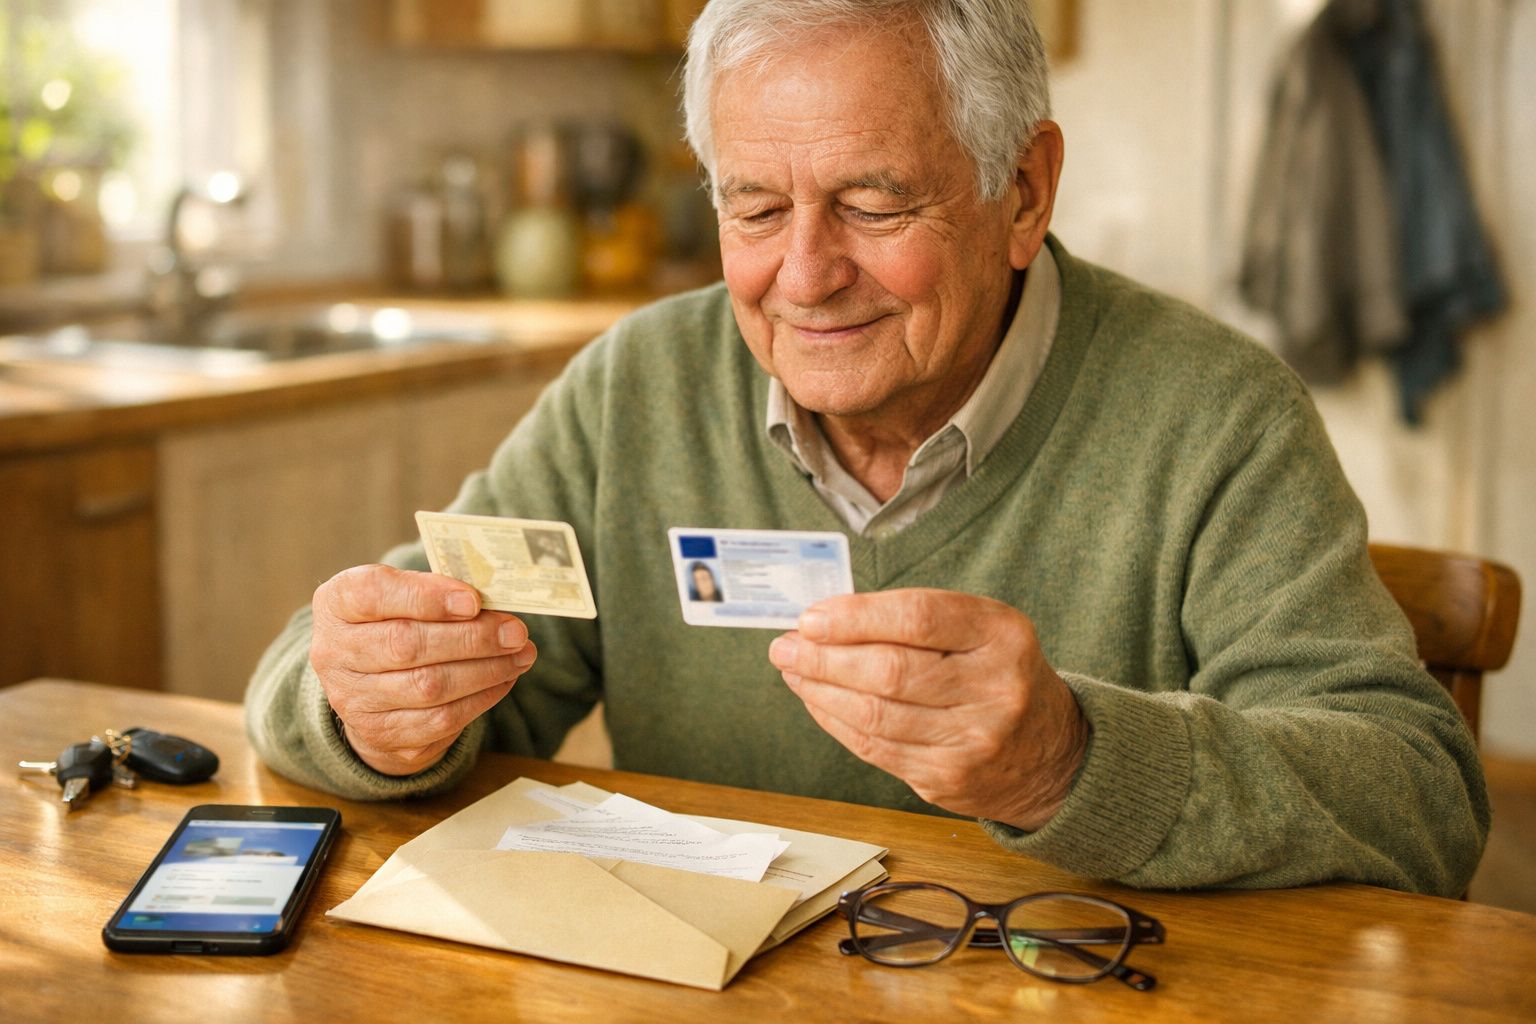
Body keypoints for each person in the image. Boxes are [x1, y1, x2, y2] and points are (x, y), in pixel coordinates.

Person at [246, 0, 1487, 897]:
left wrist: (1071, 759)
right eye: (756, 206)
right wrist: (363, 704)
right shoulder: (642, 386)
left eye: (876, 204)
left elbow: (1419, 796)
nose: (806, 276)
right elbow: (341, 663)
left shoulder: (1216, 416)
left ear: (1026, 192)